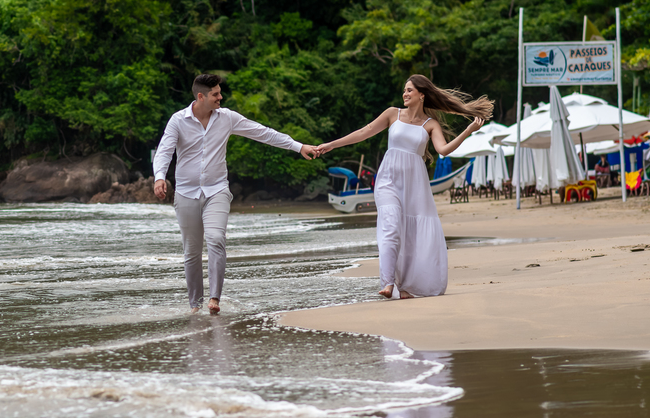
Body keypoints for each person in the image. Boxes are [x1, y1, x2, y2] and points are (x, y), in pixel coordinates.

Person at [154, 74, 319, 314]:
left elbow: (264, 133)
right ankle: (195, 305)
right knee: (191, 252)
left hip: (217, 190)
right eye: (215, 94)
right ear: (201, 97)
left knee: (216, 239)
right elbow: (164, 151)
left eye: (220, 92)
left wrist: (298, 146)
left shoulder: (227, 118)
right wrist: (159, 176)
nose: (221, 97)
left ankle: (214, 299)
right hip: (186, 194)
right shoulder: (178, 121)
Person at [316, 75, 492, 299]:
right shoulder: (392, 114)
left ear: (422, 94)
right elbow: (364, 132)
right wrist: (332, 145)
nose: (405, 94)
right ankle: (388, 282)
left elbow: (443, 150)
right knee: (391, 225)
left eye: (410, 90)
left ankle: (407, 286)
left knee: (411, 234)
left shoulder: (430, 124)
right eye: (404, 90)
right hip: (388, 179)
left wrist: (468, 131)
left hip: (415, 185)